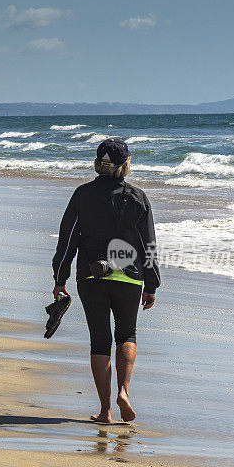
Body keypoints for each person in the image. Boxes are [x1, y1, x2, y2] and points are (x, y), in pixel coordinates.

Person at [51, 138, 160, 423]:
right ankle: (124, 391)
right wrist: (152, 284)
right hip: (130, 276)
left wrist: (59, 278)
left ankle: (105, 411)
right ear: (126, 164)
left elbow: (68, 240)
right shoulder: (138, 197)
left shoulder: (83, 195)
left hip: (92, 275)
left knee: (100, 341)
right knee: (127, 334)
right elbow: (149, 244)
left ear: (98, 163)